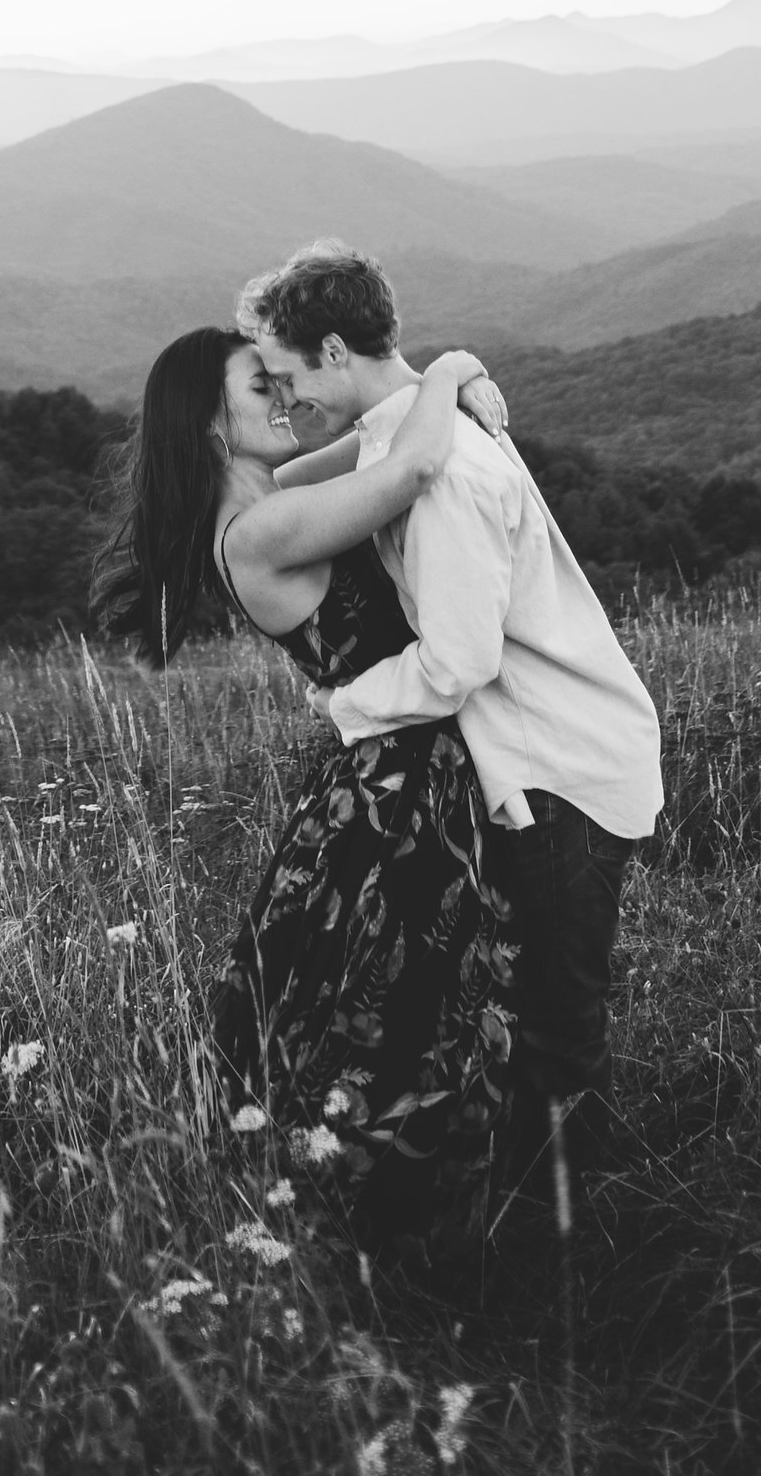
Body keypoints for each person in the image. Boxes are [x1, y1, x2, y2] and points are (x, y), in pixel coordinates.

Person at [240, 241, 663, 1206]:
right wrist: (454, 368)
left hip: (561, 766)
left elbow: (457, 664)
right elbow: (306, 477)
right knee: (518, 1013)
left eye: (293, 370)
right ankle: (519, 1222)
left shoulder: (444, 475)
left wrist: (340, 706)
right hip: (535, 753)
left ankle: (573, 1247)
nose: (287, 391)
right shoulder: (404, 435)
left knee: (558, 1028)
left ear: (337, 350)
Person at [94, 322, 520, 1245]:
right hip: (403, 786)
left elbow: (366, 445)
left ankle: (371, 1219)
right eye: (261, 388)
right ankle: (386, 1235)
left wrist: (412, 394)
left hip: (395, 768)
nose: (283, 399)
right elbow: (403, 472)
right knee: (407, 1014)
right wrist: (449, 367)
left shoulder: (269, 494)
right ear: (211, 424)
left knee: (390, 1006)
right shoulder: (259, 530)